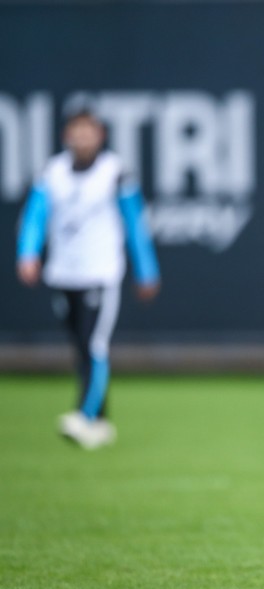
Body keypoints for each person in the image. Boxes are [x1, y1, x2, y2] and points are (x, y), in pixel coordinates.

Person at [16, 109, 160, 450]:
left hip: (101, 272)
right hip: (64, 272)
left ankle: (84, 415)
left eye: (88, 131)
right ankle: (102, 422)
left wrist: (147, 270)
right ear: (67, 135)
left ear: (101, 135)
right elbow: (35, 216)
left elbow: (135, 224)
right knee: (81, 348)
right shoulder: (53, 172)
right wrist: (28, 253)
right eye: (76, 131)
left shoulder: (115, 173)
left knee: (94, 345)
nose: (82, 137)